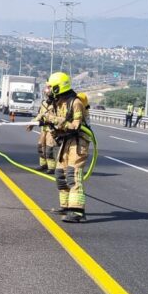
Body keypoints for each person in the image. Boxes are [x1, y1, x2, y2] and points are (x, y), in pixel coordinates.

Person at [47, 72, 92, 223]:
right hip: (66, 141)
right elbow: (59, 124)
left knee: (73, 174)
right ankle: (66, 206)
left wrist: (55, 120)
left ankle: (77, 211)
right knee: (60, 174)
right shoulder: (59, 102)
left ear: (59, 87)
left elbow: (75, 126)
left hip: (78, 142)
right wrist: (50, 125)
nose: (48, 90)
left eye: (51, 87)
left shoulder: (75, 103)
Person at [27, 85, 56, 173]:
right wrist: (32, 123)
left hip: (52, 130)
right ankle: (43, 165)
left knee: (49, 149)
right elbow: (40, 115)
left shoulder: (58, 105)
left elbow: (57, 118)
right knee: (41, 147)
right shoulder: (44, 103)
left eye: (49, 94)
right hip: (44, 129)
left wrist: (48, 121)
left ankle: (51, 167)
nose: (47, 96)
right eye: (46, 94)